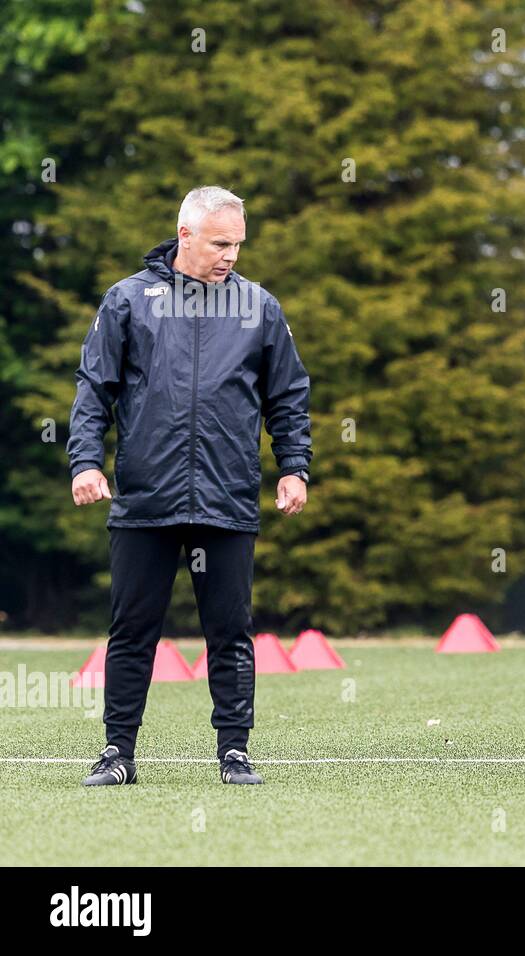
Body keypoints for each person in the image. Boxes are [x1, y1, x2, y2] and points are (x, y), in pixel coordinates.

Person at [68, 186, 312, 787]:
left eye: (238, 244)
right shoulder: (128, 300)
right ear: (185, 235)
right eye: (220, 242)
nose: (231, 254)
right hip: (145, 499)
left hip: (226, 499)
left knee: (230, 633)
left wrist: (294, 467)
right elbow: (93, 389)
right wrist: (85, 464)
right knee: (131, 633)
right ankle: (117, 754)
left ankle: (234, 751)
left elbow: (288, 397)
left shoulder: (259, 306)